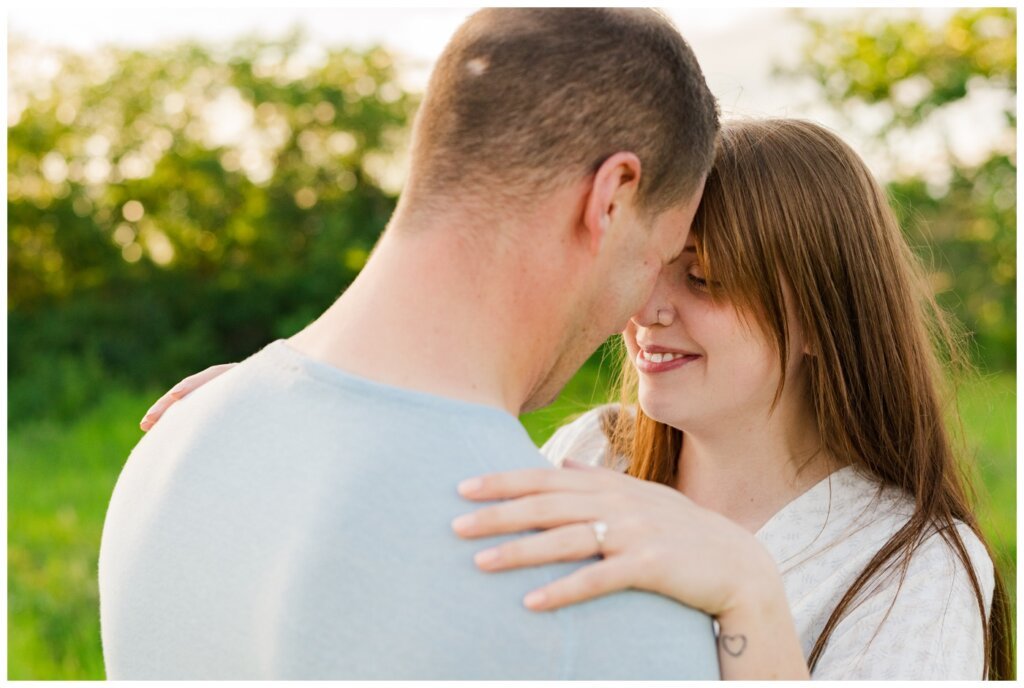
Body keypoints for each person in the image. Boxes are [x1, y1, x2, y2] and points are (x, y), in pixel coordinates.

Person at [152, 119, 1014, 680]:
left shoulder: (917, 570)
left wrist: (748, 593)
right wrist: (298, 413)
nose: (649, 310)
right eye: (648, 267)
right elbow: (426, 559)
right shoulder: (591, 452)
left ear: (822, 316)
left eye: (704, 277)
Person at [98, 8, 722, 680]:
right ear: (612, 197)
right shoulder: (604, 598)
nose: (644, 306)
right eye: (655, 258)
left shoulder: (176, 440)